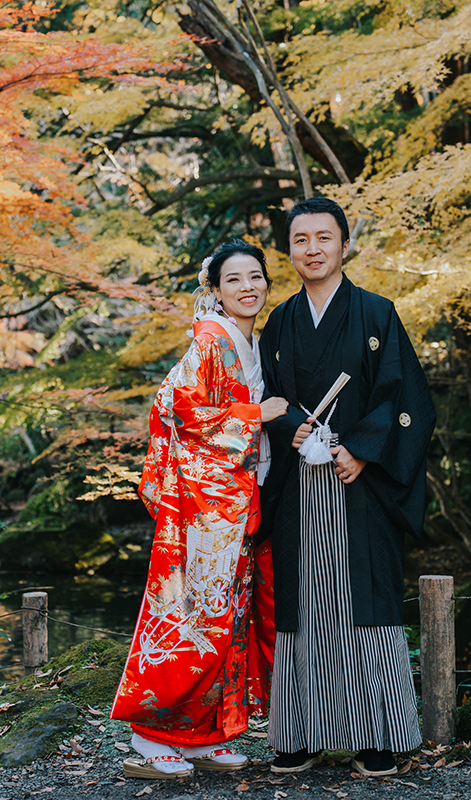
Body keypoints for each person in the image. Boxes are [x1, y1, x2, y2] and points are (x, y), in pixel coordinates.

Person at [258, 197, 436, 777]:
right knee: (304, 606)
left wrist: (362, 449)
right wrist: (290, 429)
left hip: (358, 481)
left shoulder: (377, 313)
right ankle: (300, 733)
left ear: (343, 244)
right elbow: (266, 402)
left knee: (366, 601)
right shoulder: (280, 322)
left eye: (323, 238)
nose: (312, 249)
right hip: (299, 486)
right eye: (301, 240)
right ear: (289, 250)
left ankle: (377, 736)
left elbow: (408, 400)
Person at [111, 240, 287, 779]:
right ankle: (151, 735)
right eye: (234, 279)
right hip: (204, 506)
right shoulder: (212, 338)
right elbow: (180, 409)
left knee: (228, 618)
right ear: (214, 290)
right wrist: (256, 412)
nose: (248, 287)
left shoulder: (249, 342)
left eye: (255, 276)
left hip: (234, 502)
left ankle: (207, 734)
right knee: (188, 616)